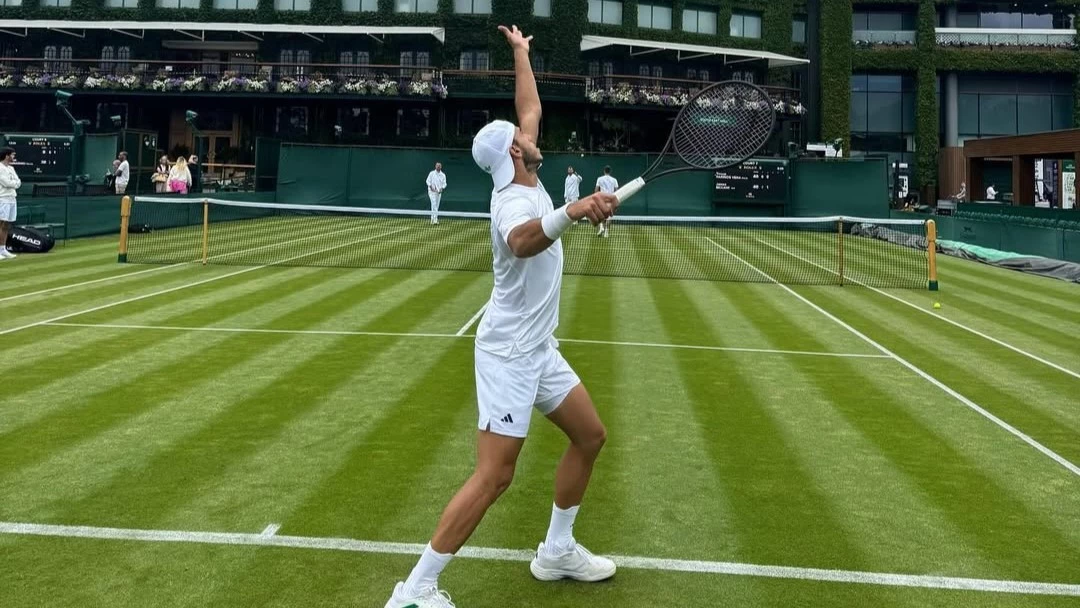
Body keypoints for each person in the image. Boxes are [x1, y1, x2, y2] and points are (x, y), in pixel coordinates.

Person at [383, 24, 620, 608]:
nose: (531, 129)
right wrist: (575, 208)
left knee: (589, 436)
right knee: (495, 476)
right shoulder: (514, 200)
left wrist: (521, 53)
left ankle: (557, 551)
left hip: (539, 349)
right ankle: (415, 590)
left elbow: (530, 103)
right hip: (509, 353)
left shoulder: (524, 167)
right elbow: (521, 241)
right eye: (523, 134)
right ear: (517, 151)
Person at [0, 147, 21, 259]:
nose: (14, 157)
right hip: (2, 198)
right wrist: (14, 183)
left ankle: (3, 249)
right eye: (12, 155)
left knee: (6, 225)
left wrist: (14, 183)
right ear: (7, 155)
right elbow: (6, 183)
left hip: (12, 198)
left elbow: (18, 182)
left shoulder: (11, 168)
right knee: (1, 224)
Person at [594, 165, 619, 238]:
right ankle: (606, 232)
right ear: (610, 171)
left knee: (601, 214)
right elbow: (617, 191)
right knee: (608, 217)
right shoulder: (614, 180)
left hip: (602, 199)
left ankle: (601, 227)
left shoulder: (599, 179)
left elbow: (596, 190)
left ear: (604, 171)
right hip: (610, 200)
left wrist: (595, 198)